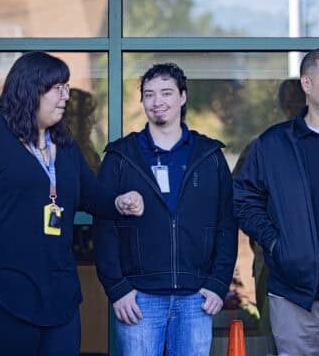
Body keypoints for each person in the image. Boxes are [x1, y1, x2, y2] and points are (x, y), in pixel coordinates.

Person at [0, 51, 143, 356]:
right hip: (2, 293)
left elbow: (90, 196)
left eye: (66, 88)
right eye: (57, 89)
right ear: (30, 89)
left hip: (59, 295)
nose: (65, 97)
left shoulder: (63, 143)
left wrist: (118, 203)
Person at [94, 62, 237, 356]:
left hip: (196, 297)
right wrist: (117, 287)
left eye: (166, 93)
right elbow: (103, 224)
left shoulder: (209, 156)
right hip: (139, 299)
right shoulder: (121, 157)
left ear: (183, 97)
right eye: (149, 94)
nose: (157, 102)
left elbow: (226, 224)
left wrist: (218, 282)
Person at [234, 48, 319, 355]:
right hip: (293, 294)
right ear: (307, 85)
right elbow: (243, 200)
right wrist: (274, 243)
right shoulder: (273, 144)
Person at [231, 78, 305, 334]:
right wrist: (269, 237)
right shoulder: (263, 146)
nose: (295, 106)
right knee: (273, 329)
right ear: (282, 106)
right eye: (290, 101)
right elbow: (237, 197)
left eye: (299, 100)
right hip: (271, 254)